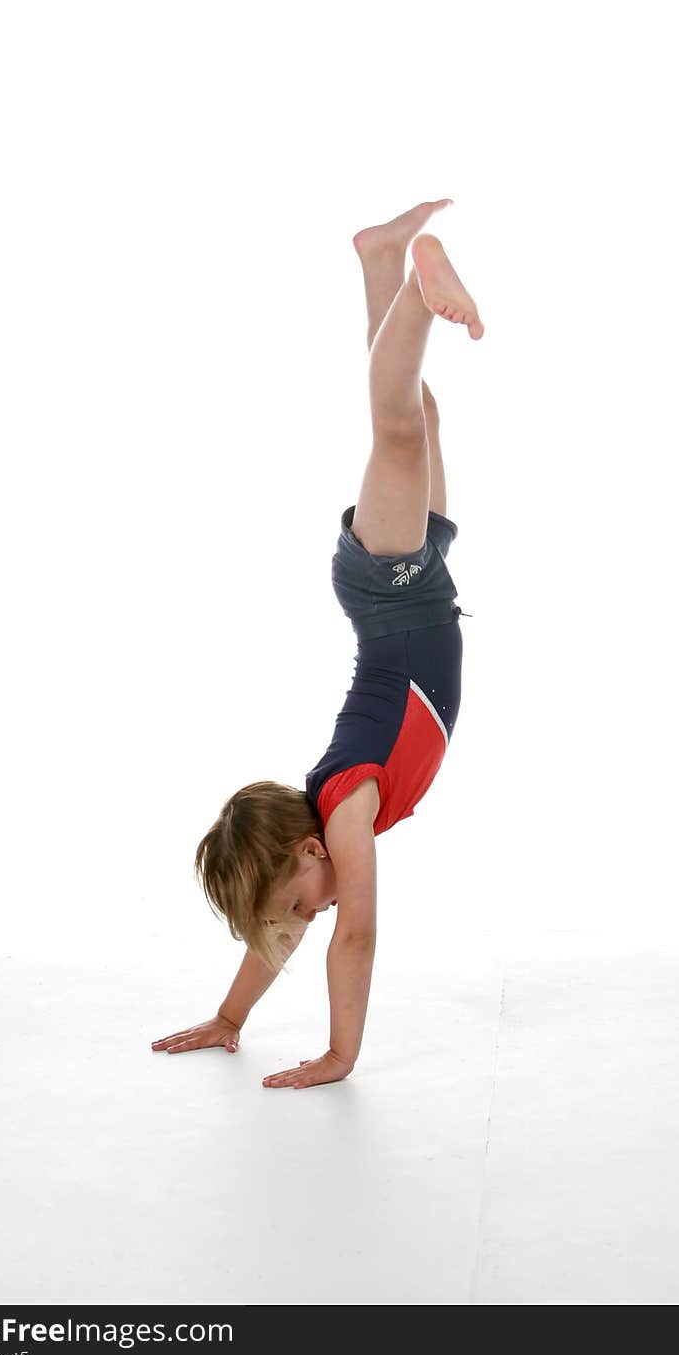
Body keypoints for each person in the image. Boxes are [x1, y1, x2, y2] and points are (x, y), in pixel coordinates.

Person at [151, 198, 483, 1089]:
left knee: (401, 430)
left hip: (390, 591)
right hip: (419, 590)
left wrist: (342, 1053)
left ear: (306, 855)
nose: (304, 922)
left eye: (299, 905)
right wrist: (230, 1017)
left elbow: (359, 932)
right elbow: (281, 937)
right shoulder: (324, 829)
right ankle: (381, 261)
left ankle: (416, 286)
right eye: (293, 919)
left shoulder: (345, 816)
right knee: (421, 416)